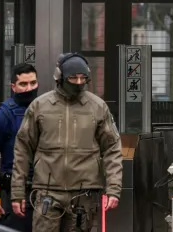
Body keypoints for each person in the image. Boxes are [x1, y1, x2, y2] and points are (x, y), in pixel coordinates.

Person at [11, 53, 123, 232]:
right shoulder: (40, 106)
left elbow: (112, 148)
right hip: (47, 190)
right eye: (73, 77)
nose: (78, 82)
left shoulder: (98, 107)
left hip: (84, 193)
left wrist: (114, 189)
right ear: (60, 76)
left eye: (83, 78)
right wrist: (17, 191)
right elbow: (23, 148)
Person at [0, 63, 39, 232]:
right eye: (23, 84)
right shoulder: (2, 117)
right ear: (13, 86)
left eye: (33, 83)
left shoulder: (45, 111)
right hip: (17, 193)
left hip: (45, 191)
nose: (29, 88)